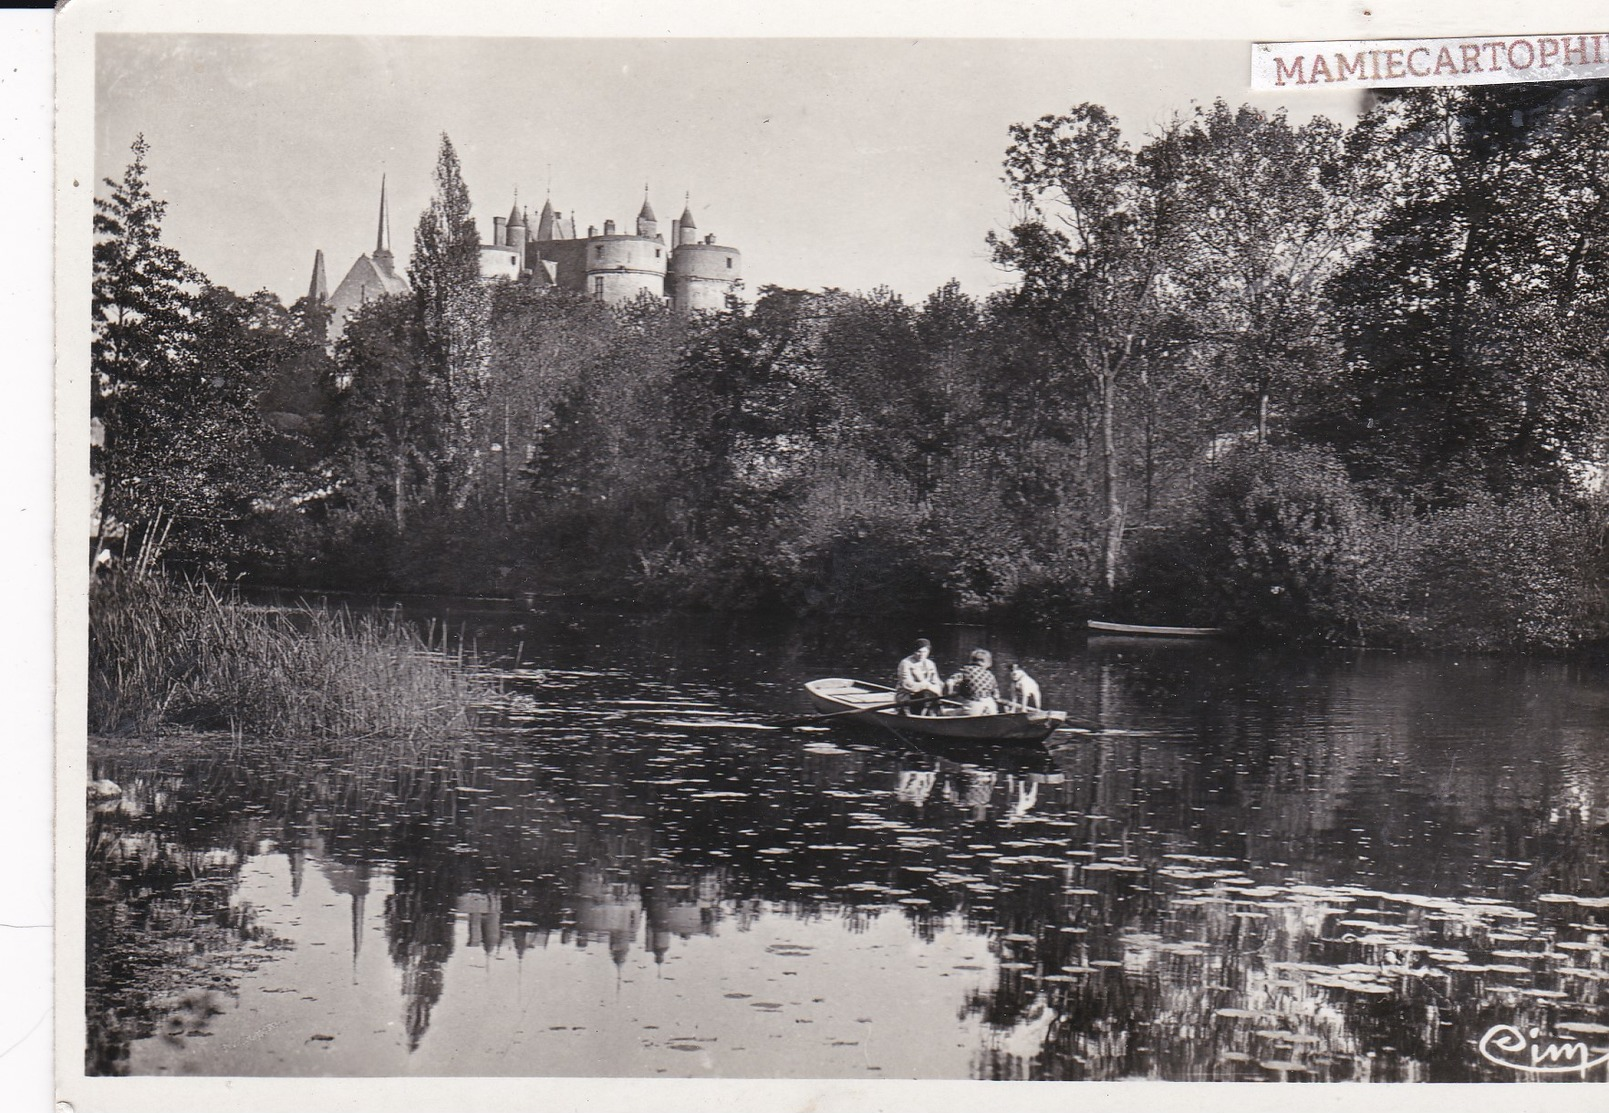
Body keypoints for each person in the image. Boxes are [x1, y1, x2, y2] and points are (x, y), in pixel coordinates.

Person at [895, 638, 944, 715]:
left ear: (928, 651)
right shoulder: (905, 663)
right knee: (926, 694)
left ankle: (933, 714)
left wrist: (937, 687)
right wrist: (927, 686)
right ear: (914, 652)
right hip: (908, 695)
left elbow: (937, 682)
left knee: (933, 696)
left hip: (928, 696)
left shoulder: (930, 664)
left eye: (924, 652)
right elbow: (907, 684)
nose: (922, 655)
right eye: (918, 652)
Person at [945, 648, 1000, 715]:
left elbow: (950, 682)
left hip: (973, 708)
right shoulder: (991, 675)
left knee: (945, 712)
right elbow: (996, 696)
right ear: (988, 663)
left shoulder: (966, 670)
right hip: (991, 709)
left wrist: (949, 693)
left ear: (971, 660)